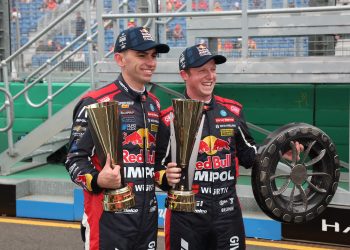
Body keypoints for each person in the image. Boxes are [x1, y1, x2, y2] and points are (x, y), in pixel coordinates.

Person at [154, 44, 303, 249]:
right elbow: (156, 168)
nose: (210, 76)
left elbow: (248, 155)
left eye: (213, 69)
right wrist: (165, 177)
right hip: (186, 217)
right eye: (202, 71)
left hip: (227, 214)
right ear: (184, 75)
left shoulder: (232, 110)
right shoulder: (168, 119)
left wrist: (278, 151)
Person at [65, 26, 169, 250]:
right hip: (107, 220)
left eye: (153, 56)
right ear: (120, 59)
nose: (150, 62)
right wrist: (97, 179)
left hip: (147, 219)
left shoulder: (154, 104)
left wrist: (166, 175)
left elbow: (157, 160)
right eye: (142, 55)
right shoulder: (94, 102)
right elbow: (74, 160)